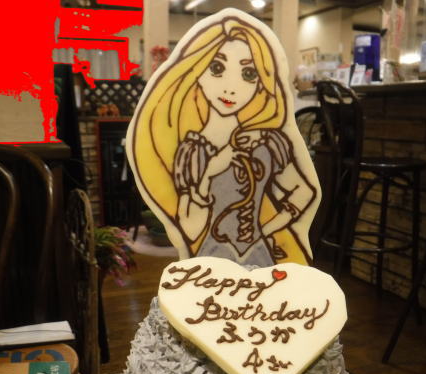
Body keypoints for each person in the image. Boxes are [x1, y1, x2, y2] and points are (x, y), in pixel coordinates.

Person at [128, 11, 319, 266]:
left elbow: (303, 193)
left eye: (248, 73)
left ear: (260, 82)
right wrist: (209, 173)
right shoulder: (192, 151)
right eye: (217, 68)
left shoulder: (265, 142)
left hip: (261, 258)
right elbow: (190, 230)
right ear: (198, 73)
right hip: (210, 262)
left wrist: (267, 230)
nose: (231, 88)